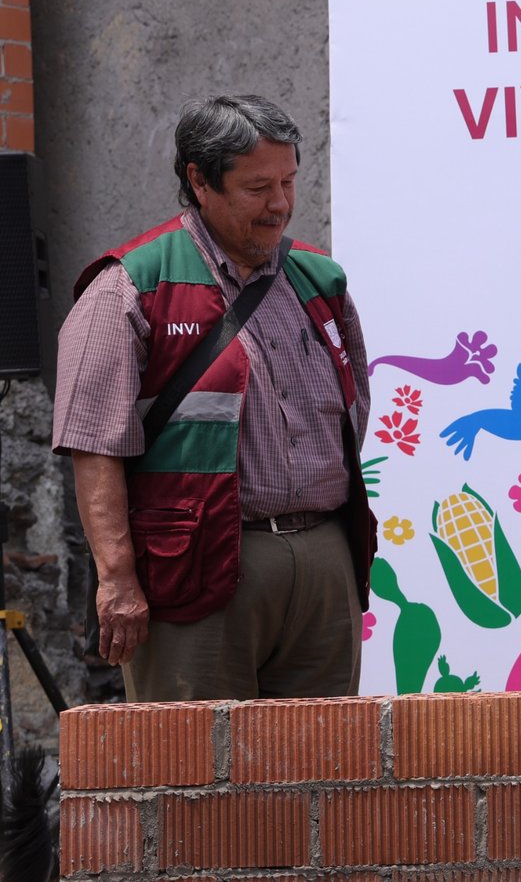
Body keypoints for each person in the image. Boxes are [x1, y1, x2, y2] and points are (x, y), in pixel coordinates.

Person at [52, 94, 377, 701]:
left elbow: (352, 406)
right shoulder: (130, 287)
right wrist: (117, 579)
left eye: (288, 182)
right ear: (199, 181)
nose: (280, 205)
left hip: (324, 560)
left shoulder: (319, 279)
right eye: (257, 188)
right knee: (197, 775)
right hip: (196, 568)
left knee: (325, 777)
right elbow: (94, 447)